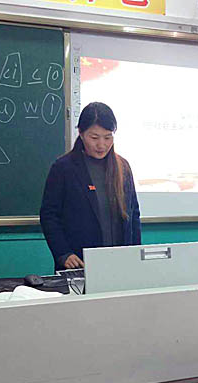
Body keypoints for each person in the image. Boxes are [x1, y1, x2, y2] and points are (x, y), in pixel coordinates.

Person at [40, 102, 141, 271]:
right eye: (94, 138)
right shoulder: (63, 168)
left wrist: (135, 254)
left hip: (120, 263)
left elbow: (134, 214)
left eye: (108, 137)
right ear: (81, 133)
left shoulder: (122, 166)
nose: (101, 145)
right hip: (80, 263)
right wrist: (63, 253)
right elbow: (49, 215)